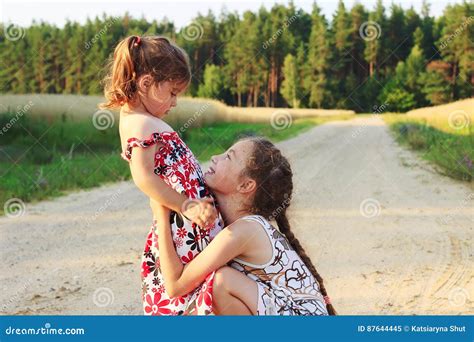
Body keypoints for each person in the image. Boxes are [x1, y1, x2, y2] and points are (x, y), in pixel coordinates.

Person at [100, 35, 223, 315]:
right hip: (183, 229)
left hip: (189, 226)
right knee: (193, 291)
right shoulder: (139, 123)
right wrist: (186, 205)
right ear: (146, 84)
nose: (175, 102)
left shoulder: (144, 120)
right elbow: (143, 177)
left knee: (202, 290)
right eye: (172, 92)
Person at [154, 136, 336, 315]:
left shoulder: (243, 231)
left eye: (228, 156)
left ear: (246, 185)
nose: (214, 157)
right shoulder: (245, 227)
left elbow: (176, 286)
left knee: (221, 283)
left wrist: (161, 214)